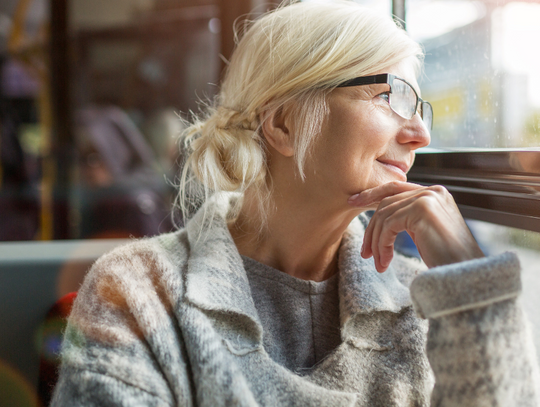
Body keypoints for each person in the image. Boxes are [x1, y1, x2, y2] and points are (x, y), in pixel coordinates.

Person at [51, 1, 540, 405]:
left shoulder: (426, 304)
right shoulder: (136, 293)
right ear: (283, 123)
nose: (420, 134)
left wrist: (472, 285)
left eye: (419, 107)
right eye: (392, 96)